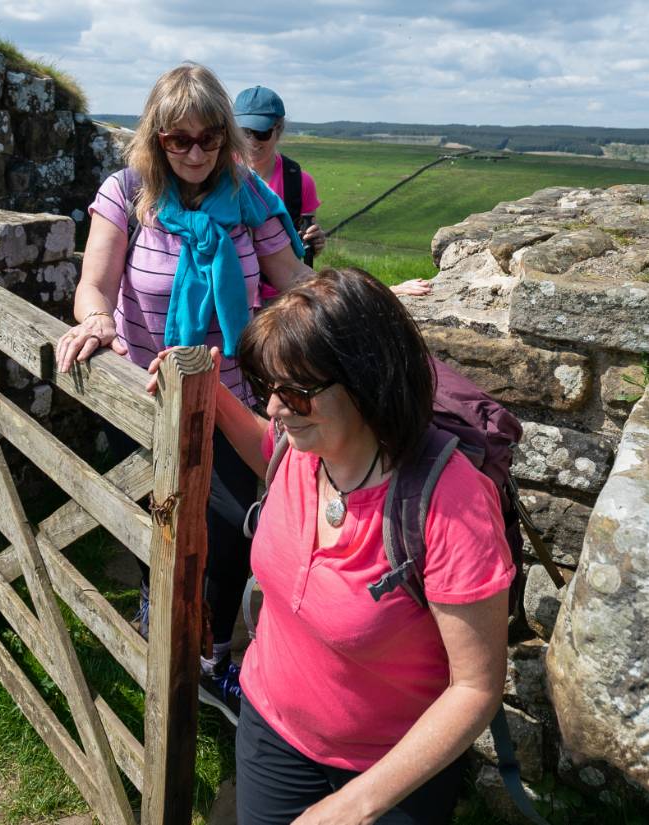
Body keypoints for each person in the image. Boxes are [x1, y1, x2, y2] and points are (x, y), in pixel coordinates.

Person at [55, 62, 313, 723]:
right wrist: (95, 317)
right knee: (158, 525)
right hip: (143, 396)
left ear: (225, 136)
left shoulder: (248, 195)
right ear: (157, 138)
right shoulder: (126, 192)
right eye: (179, 139)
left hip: (231, 398)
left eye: (207, 137)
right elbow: (95, 282)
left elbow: (293, 282)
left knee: (229, 530)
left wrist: (364, 313)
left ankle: (209, 660)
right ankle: (158, 618)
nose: (195, 152)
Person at [212, 267, 513, 825]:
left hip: (389, 774)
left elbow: (475, 688)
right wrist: (210, 393)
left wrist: (356, 805)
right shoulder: (301, 448)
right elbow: (269, 448)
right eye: (266, 388)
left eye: (296, 393)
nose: (276, 409)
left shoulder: (450, 506)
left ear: (366, 384)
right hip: (269, 726)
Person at [233, 85, 432, 300]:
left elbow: (296, 260)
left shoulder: (297, 181)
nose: (251, 141)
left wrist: (313, 245)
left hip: (284, 293)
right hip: (236, 292)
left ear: (278, 129)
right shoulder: (219, 174)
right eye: (244, 132)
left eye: (261, 132)